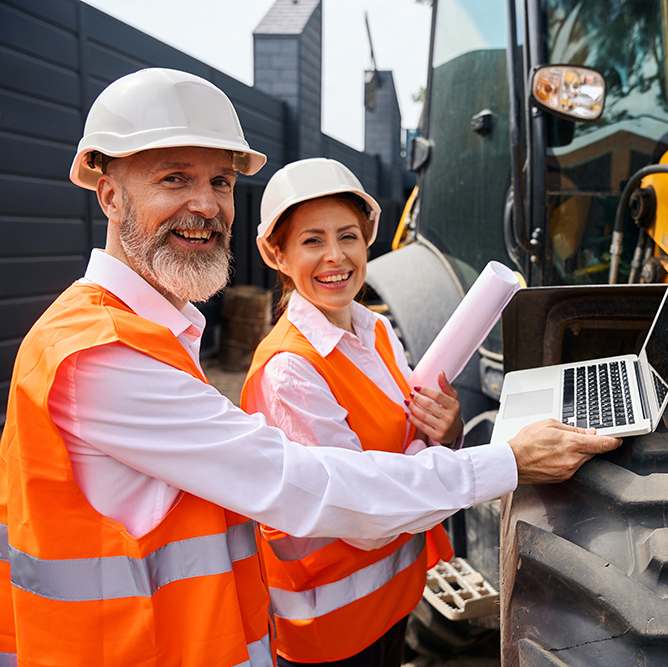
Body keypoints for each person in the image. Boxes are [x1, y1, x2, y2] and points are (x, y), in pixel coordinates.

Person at [0, 67, 621, 667]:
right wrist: (508, 461)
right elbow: (308, 485)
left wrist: (447, 434)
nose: (206, 204)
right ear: (108, 193)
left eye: (220, 182)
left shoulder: (158, 334)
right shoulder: (100, 355)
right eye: (172, 178)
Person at [242, 157, 464, 667]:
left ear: (368, 242)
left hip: (393, 599)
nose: (335, 257)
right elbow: (361, 513)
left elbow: (409, 432)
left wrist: (442, 429)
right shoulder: (289, 371)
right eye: (312, 241)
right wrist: (448, 460)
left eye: (348, 236)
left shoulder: (377, 332)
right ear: (276, 254)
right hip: (329, 629)